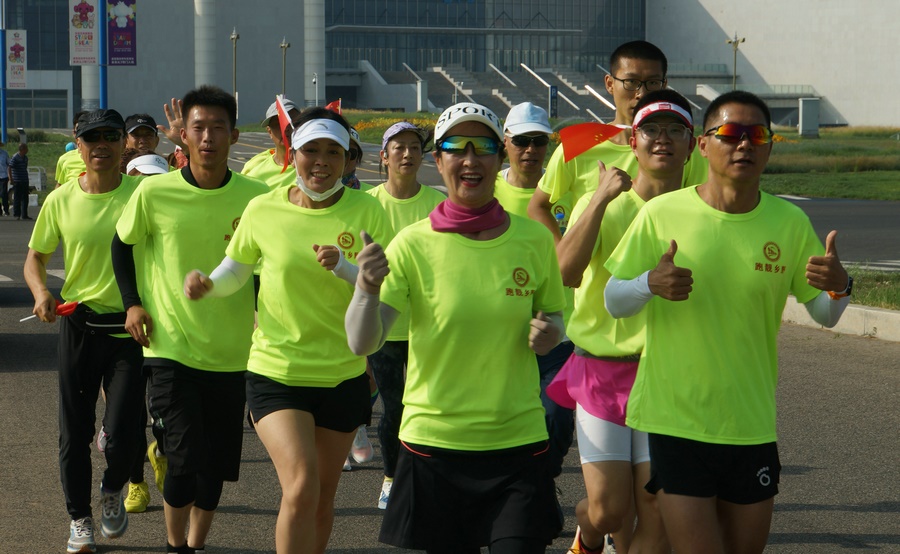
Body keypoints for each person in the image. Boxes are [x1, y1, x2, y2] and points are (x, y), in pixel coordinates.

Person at [603, 90, 852, 554]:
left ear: (770, 146)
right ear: (702, 145)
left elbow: (824, 313)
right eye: (731, 133)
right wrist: (648, 283)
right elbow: (614, 300)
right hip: (676, 421)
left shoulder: (789, 222)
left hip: (751, 425)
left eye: (757, 135)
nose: (744, 145)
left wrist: (841, 287)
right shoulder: (662, 213)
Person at [346, 102, 566, 553]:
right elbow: (362, 341)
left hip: (517, 440)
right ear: (439, 160)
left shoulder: (534, 240)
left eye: (482, 146)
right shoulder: (413, 244)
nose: (470, 159)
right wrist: (366, 287)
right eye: (456, 147)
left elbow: (554, 318)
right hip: (435, 444)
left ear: (499, 157)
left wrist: (550, 333)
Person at [183, 107, 393, 554]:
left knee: (321, 497)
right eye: (311, 150)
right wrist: (210, 284)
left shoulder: (368, 210)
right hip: (277, 372)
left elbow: (385, 285)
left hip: (343, 374)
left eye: (333, 152)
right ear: (292, 154)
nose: (322, 161)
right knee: (300, 485)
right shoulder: (264, 208)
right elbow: (236, 269)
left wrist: (346, 268)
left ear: (347, 158)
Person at [111, 85, 268, 554]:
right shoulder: (155, 192)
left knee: (214, 468)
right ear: (183, 135)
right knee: (182, 461)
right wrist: (132, 303)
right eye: (198, 127)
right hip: (170, 348)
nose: (208, 137)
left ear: (235, 135)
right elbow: (122, 245)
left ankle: (196, 546)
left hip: (232, 353)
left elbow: (266, 267)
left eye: (218, 127)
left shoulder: (257, 200)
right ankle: (175, 545)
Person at [552, 90, 696, 554]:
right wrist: (598, 199)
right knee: (611, 511)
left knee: (654, 508)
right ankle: (590, 535)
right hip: (603, 370)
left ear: (692, 146)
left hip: (667, 374)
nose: (662, 139)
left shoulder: (700, 210)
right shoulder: (606, 203)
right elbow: (565, 273)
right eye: (651, 130)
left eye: (675, 130)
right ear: (633, 142)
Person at [24, 109, 145, 554]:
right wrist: (41, 292)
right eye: (91, 137)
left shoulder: (142, 195)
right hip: (79, 325)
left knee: (126, 429)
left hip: (129, 329)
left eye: (110, 136)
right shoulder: (61, 200)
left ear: (124, 143)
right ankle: (79, 519)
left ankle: (112, 488)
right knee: (74, 431)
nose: (101, 145)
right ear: (78, 145)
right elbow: (35, 259)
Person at [527, 40, 707, 241]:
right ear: (610, 84)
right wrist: (563, 251)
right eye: (631, 82)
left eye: (653, 83)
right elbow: (538, 206)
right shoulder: (577, 145)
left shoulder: (682, 148)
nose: (641, 93)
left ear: (664, 85)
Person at [365, 121, 445, 508]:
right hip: (385, 326)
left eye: (414, 147)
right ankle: (391, 476)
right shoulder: (369, 204)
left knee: (429, 406)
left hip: (429, 325)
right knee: (395, 408)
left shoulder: (437, 203)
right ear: (384, 156)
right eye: (399, 148)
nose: (408, 154)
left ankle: (428, 478)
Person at [494, 102, 576, 481]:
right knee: (504, 425)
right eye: (522, 141)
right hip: (501, 332)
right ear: (505, 142)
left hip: (560, 330)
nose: (530, 150)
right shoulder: (487, 190)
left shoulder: (565, 192)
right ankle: (518, 491)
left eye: (539, 142)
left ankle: (542, 483)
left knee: (556, 418)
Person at [241, 98, 303, 190]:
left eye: (292, 123)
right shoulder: (255, 170)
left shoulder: (315, 167)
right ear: (269, 131)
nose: (286, 128)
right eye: (279, 124)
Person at [55, 111, 89, 187]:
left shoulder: (101, 158)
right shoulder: (64, 160)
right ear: (74, 133)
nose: (82, 135)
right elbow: (60, 186)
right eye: (79, 131)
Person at [341, 127, 374, 191]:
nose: (343, 158)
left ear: (358, 157)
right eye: (334, 152)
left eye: (350, 152)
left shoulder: (373, 194)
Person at [8, 143, 30, 220]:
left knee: (25, 198)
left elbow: (25, 167)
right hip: (17, 180)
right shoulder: (15, 157)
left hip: (24, 179)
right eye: (26, 149)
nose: (27, 150)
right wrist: (11, 178)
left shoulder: (25, 158)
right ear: (22, 149)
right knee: (17, 197)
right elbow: (10, 167)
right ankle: (16, 214)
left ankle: (24, 214)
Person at [0, 141, 9, 216]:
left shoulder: (4, 153)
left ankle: (6, 209)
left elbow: (9, 164)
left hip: (3, 176)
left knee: (3, 193)